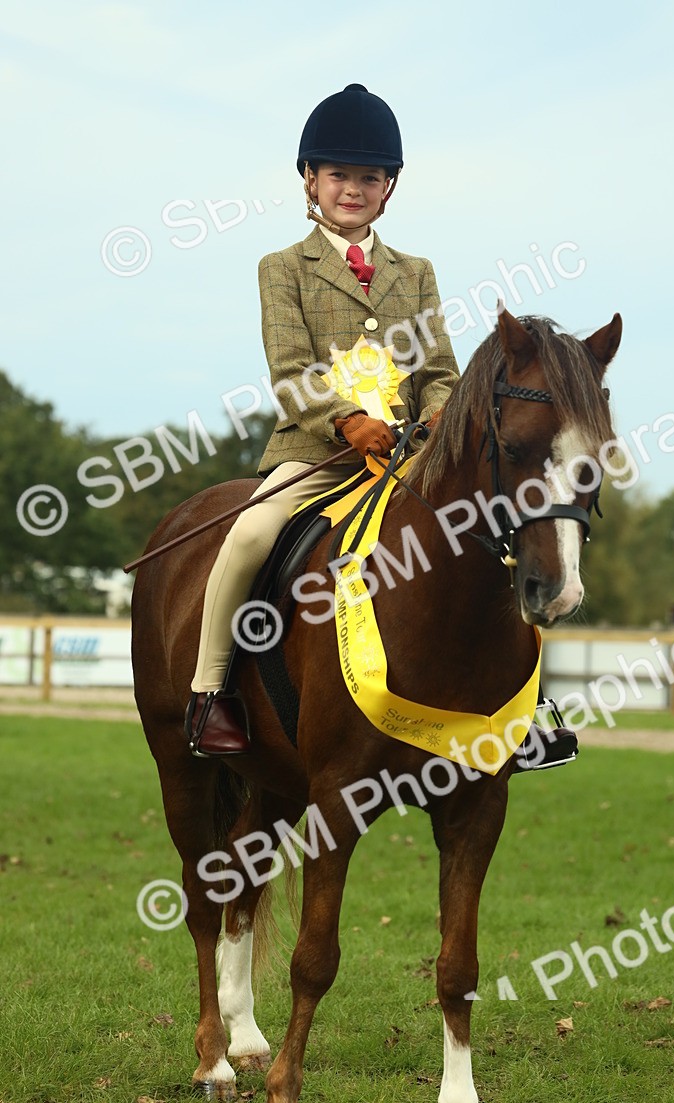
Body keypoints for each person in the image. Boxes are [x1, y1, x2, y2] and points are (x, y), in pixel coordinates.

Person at [186, 84, 459, 755]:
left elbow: (441, 375)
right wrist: (346, 422)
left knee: (493, 534)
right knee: (250, 534)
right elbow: (289, 370)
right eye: (339, 175)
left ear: (389, 187)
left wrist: (427, 424)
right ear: (311, 179)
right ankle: (209, 692)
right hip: (317, 453)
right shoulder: (283, 269)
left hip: (408, 456)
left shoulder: (417, 272)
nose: (353, 189)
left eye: (370, 177)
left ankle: (520, 705)